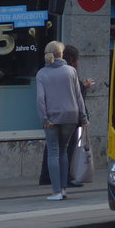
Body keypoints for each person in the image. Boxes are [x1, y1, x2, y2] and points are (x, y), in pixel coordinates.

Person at [36, 41, 88, 201]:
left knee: (53, 151)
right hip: (71, 116)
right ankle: (64, 189)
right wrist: (83, 118)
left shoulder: (42, 74)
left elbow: (40, 99)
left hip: (52, 116)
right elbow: (78, 96)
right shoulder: (71, 71)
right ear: (61, 54)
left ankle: (56, 191)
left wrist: (45, 118)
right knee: (64, 151)